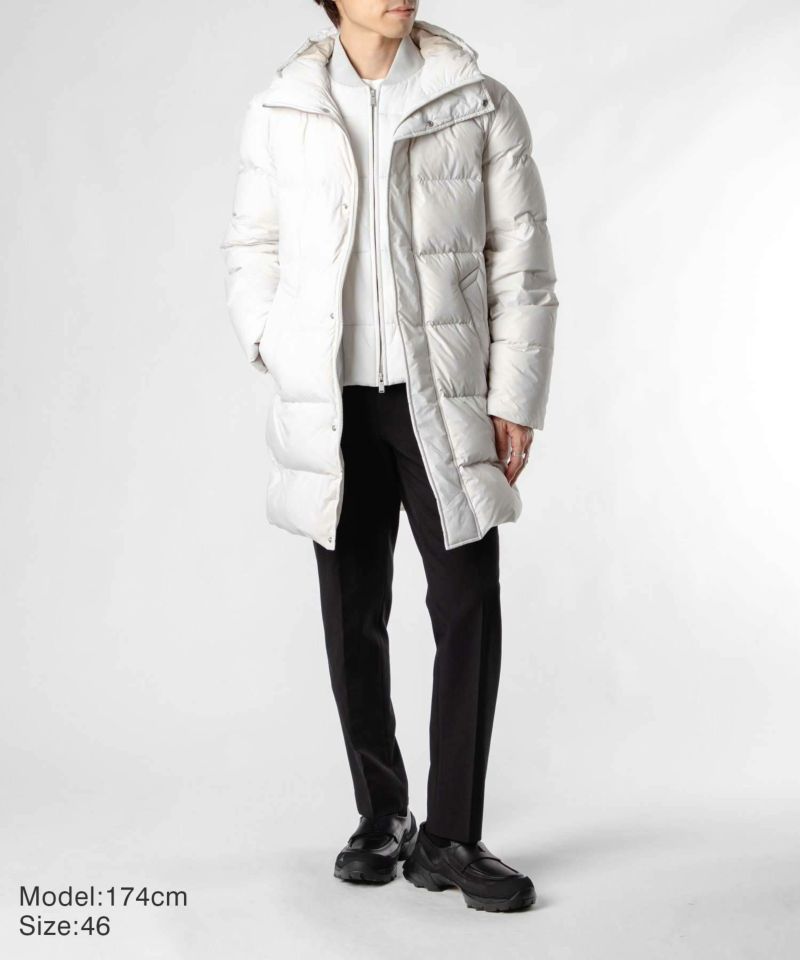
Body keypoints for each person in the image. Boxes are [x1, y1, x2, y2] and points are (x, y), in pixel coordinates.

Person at [220, 0, 558, 913]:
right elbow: (252, 245)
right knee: (351, 613)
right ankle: (383, 814)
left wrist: (513, 398)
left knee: (468, 603)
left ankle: (451, 836)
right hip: (332, 398)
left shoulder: (476, 100)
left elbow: (520, 258)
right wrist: (274, 342)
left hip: (439, 395)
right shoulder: (283, 107)